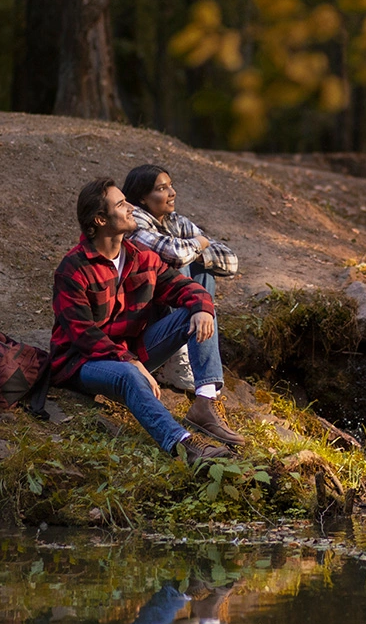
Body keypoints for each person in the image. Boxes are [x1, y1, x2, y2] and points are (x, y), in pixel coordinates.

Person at [50, 177, 244, 463]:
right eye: (121, 204)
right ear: (101, 220)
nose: (131, 207)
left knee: (198, 308)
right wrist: (129, 361)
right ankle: (183, 445)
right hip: (82, 363)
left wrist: (203, 307)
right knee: (128, 374)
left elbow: (185, 288)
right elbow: (83, 335)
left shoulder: (141, 257)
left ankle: (204, 402)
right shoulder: (73, 269)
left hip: (132, 352)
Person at [120, 164, 242, 443]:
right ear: (142, 197)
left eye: (171, 185)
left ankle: (202, 390)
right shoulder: (133, 223)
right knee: (184, 272)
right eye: (162, 188)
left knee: (202, 271)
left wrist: (196, 250)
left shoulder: (176, 221)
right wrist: (199, 244)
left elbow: (231, 261)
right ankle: (182, 362)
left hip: (170, 318)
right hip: (145, 332)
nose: (172, 193)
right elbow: (174, 254)